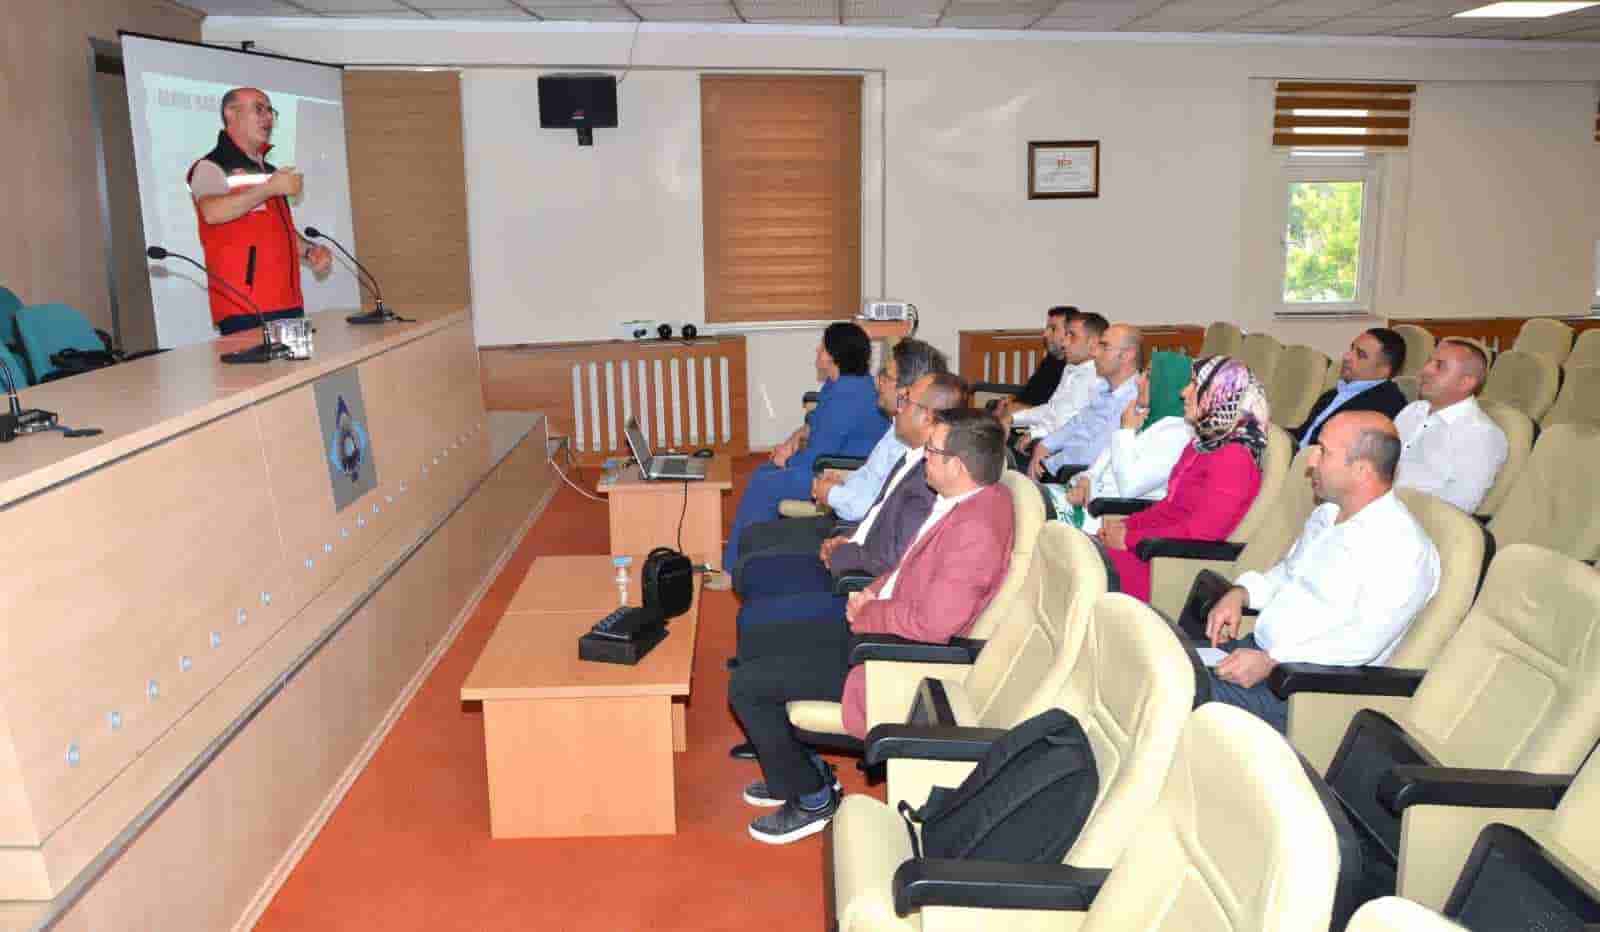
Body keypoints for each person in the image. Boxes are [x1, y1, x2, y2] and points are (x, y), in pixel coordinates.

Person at [727, 410, 1014, 843]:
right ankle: (799, 768)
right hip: (879, 628)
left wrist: (869, 613)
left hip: (892, 661)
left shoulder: (976, 530)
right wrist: (872, 593)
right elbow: (904, 567)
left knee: (747, 686)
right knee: (763, 639)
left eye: (932, 451)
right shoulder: (961, 501)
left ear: (958, 465)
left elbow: (933, 624)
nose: (924, 457)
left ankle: (812, 798)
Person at [1203, 411, 1440, 733]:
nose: (1311, 460)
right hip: (1254, 652)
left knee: (1173, 693)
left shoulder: (1401, 547)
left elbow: (1362, 641)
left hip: (1298, 689)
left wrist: (1273, 660)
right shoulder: (1327, 515)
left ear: (1361, 470)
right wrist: (1241, 594)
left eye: (1324, 452)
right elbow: (1287, 575)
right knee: (1160, 660)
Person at [730, 338, 947, 588]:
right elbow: (870, 476)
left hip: (852, 532)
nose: (878, 382)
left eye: (886, 376)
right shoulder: (896, 428)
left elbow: (872, 509)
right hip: (846, 515)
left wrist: (830, 492)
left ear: (906, 391)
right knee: (751, 540)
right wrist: (841, 483)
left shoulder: (915, 451)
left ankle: (733, 572)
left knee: (751, 566)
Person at [714, 322, 888, 588]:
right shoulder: (843, 383)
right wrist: (793, 441)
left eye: (823, 347)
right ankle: (751, 558)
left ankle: (732, 570)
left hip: (841, 473)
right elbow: (815, 422)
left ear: (834, 356)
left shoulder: (847, 398)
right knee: (763, 473)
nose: (817, 350)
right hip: (829, 461)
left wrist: (787, 461)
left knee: (764, 483)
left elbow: (819, 455)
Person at [1097, 356, 1268, 602]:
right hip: (1154, 552)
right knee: (1070, 551)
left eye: (1195, 384)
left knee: (1077, 564)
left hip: (1170, 568)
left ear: (1220, 394)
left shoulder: (1235, 458)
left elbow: (1200, 533)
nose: (1184, 392)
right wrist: (1125, 525)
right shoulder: (1203, 444)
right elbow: (1170, 507)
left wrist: (1130, 538)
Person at [187, 87, 333, 335]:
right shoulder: (211, 166)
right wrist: (269, 188)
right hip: (245, 307)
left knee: (301, 362)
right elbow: (212, 212)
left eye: (270, 111)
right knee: (256, 364)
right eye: (259, 109)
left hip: (287, 302)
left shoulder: (269, 172)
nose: (268, 117)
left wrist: (309, 251)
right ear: (231, 113)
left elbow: (277, 231)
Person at [1047, 349, 1193, 534]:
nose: (1138, 381)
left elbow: (1129, 487)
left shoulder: (1177, 435)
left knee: (1026, 508)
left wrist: (1126, 431)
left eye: (1148, 376)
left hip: (1105, 518)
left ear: (1166, 384)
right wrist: (1084, 480)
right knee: (1021, 494)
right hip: (1079, 500)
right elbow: (1098, 466)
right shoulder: (1144, 418)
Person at [1394, 338, 1507, 514]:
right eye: (1429, 362)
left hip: (1414, 520)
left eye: (1439, 366)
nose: (1426, 370)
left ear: (1466, 382)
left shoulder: (1480, 434)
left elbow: (1458, 508)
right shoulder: (1413, 410)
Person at [1027, 324, 1143, 481]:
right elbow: (1076, 423)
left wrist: (1052, 464)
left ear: (1127, 355)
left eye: (1104, 346)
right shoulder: (1103, 387)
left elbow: (1099, 455)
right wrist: (1044, 446)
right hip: (1053, 467)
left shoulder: (1135, 400)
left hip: (1073, 479)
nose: (1094, 353)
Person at [1291, 328, 1409, 449]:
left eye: (1361, 355)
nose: (1347, 357)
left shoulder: (1387, 405)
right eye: (1351, 349)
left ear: (1384, 370)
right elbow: (1303, 435)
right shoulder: (1332, 394)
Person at [1000, 309, 1104, 441]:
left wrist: (1034, 434)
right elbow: (1051, 410)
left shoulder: (1097, 376)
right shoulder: (1071, 367)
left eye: (1072, 336)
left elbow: (1070, 424)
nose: (1064, 343)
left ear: (1092, 342)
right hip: (1043, 437)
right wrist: (1013, 418)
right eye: (1066, 335)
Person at [990, 306, 1073, 417]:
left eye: (1053, 329)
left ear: (1070, 333)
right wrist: (1011, 400)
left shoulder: (1075, 367)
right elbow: (1031, 394)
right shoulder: (1052, 359)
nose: (1045, 334)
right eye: (1047, 328)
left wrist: (1019, 409)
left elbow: (1058, 410)